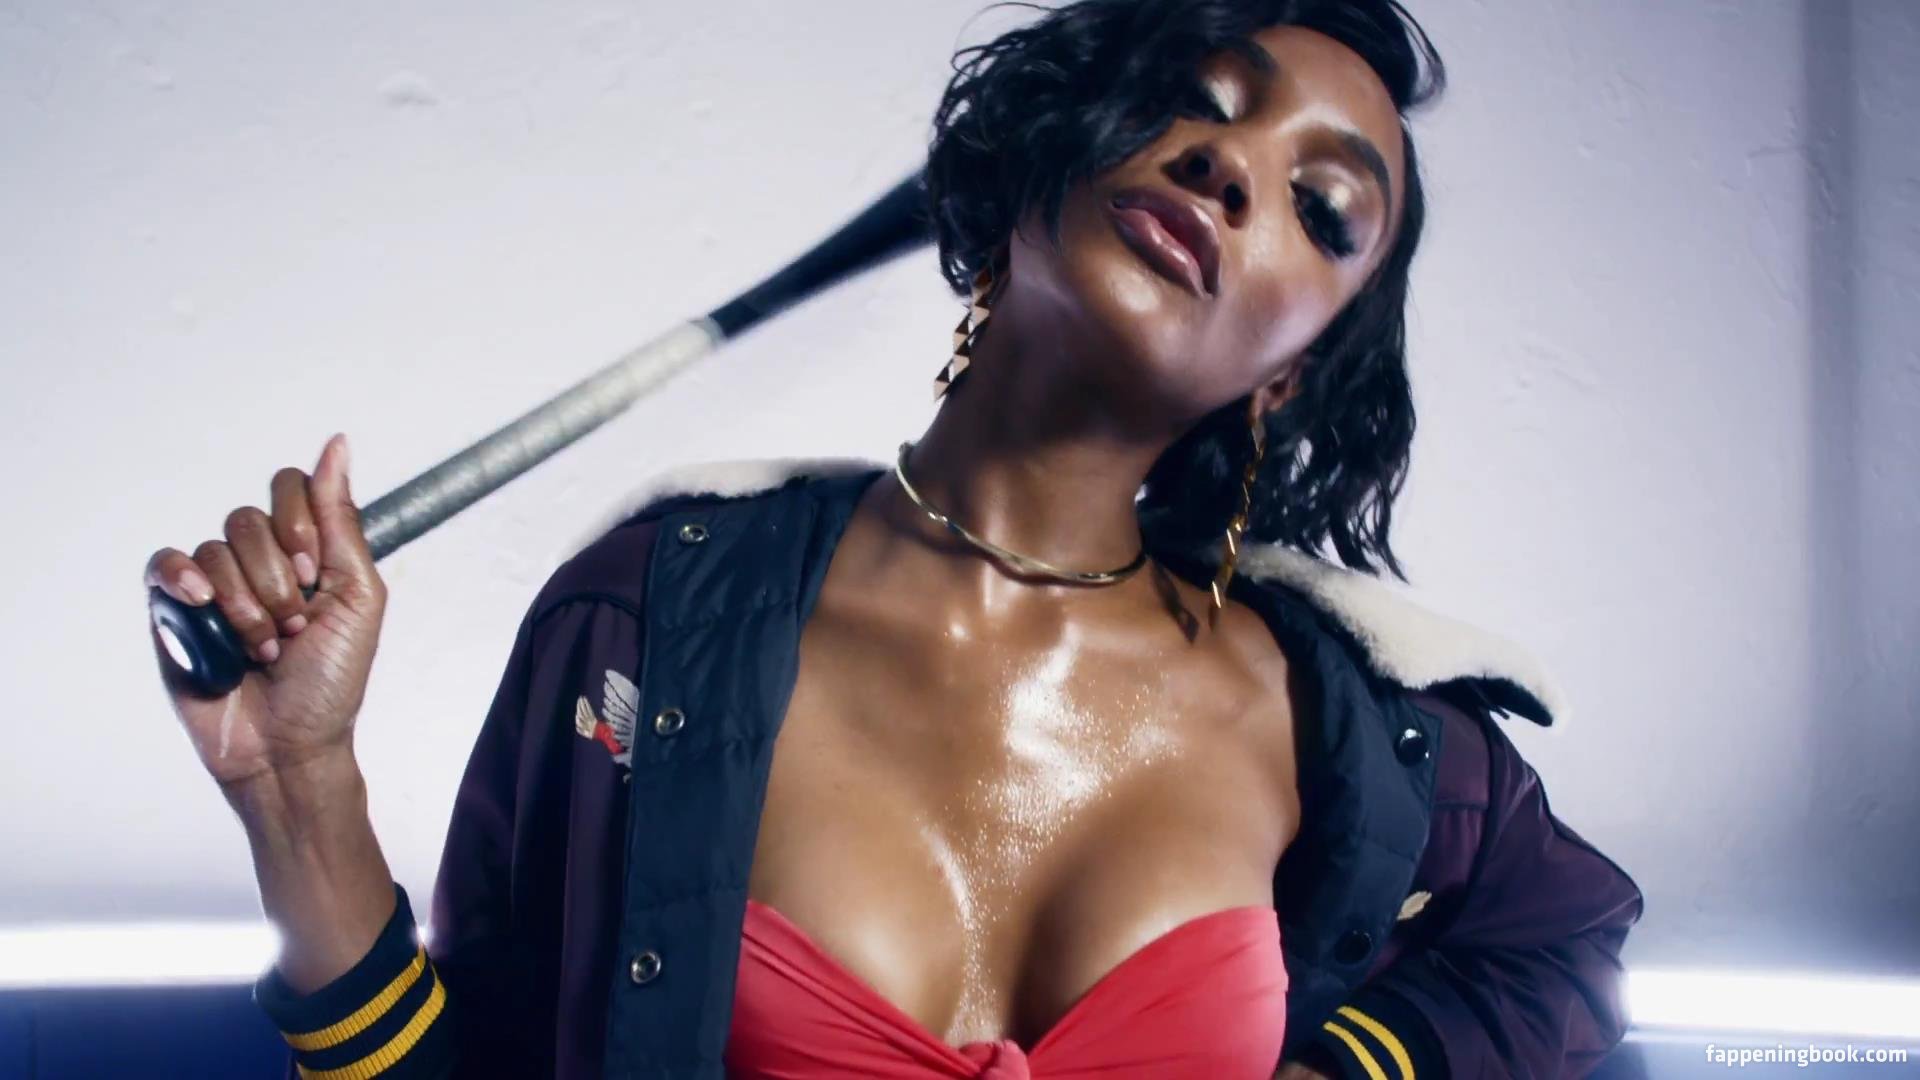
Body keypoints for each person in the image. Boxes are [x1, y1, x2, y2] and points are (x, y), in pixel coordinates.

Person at [144, 1, 1644, 1077]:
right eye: (1198, 97)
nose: (1232, 168)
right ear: (1053, 144)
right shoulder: (650, 621)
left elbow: (1566, 948)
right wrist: (298, 788)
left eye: (1323, 208)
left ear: (1294, 371)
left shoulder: (1353, 728)